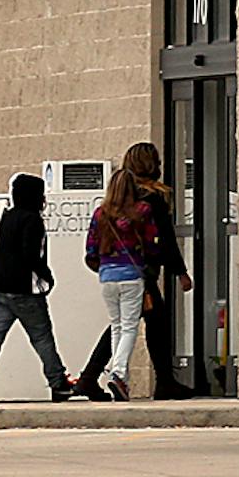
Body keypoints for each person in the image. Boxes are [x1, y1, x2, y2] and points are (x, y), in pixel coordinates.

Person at [75, 143, 194, 401]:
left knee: (123, 324)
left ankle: (91, 377)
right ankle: (158, 381)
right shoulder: (153, 199)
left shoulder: (116, 201)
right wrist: (180, 271)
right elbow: (164, 239)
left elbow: (91, 249)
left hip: (112, 272)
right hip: (140, 272)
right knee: (149, 324)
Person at [0, 173, 75, 404]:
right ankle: (58, 383)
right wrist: (47, 276)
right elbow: (31, 254)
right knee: (42, 337)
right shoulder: (33, 220)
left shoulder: (6, 217)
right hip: (24, 291)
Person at [83, 169, 161, 402]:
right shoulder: (142, 212)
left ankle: (121, 377)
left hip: (107, 275)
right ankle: (118, 373)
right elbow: (151, 244)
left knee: (116, 325)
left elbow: (90, 248)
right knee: (129, 327)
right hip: (131, 274)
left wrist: (103, 266)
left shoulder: (100, 214)